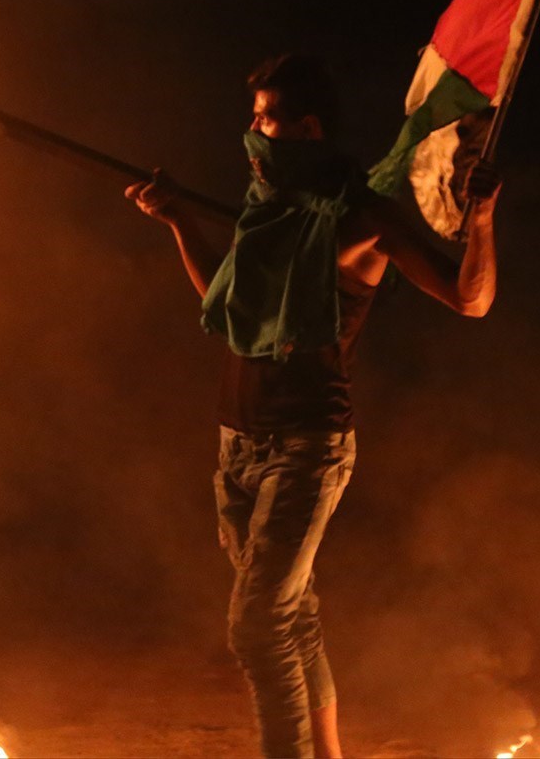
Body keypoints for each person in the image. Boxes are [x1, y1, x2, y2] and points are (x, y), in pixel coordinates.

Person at [125, 54, 500, 759]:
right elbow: (231, 308)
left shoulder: (363, 219)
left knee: (258, 627)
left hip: (307, 448)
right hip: (237, 444)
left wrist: (480, 216)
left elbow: (470, 299)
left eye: (267, 119)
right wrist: (178, 220)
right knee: (291, 617)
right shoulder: (269, 210)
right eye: (253, 116)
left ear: (307, 129)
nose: (253, 132)